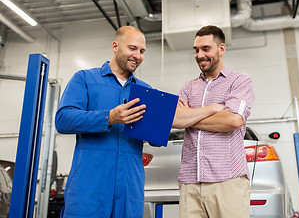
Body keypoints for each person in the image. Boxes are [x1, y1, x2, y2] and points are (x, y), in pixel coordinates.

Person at [55, 26, 151, 218]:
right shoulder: (85, 79)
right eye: (132, 48)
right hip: (90, 184)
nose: (137, 55)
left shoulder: (145, 90)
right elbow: (63, 119)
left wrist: (167, 118)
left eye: (142, 51)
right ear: (115, 46)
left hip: (129, 187)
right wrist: (110, 117)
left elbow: (154, 135)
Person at [172, 25, 255, 218]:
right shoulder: (188, 87)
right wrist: (212, 109)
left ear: (221, 49)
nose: (200, 55)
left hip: (227, 181)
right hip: (190, 183)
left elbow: (233, 120)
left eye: (206, 49)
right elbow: (173, 119)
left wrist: (189, 117)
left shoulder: (239, 81)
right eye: (196, 50)